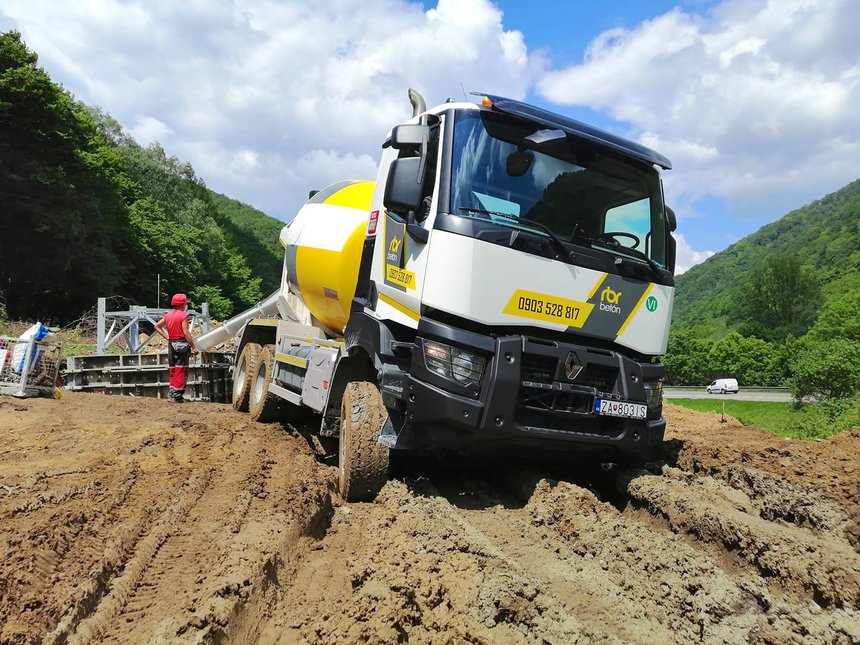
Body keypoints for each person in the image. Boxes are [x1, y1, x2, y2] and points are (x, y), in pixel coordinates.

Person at [154, 293, 199, 402]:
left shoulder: (168, 315)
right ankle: (177, 396)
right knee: (181, 369)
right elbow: (186, 333)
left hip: (171, 344)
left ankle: (172, 393)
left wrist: (167, 337)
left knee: (173, 369)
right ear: (183, 304)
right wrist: (193, 346)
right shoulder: (183, 315)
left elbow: (156, 326)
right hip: (182, 344)